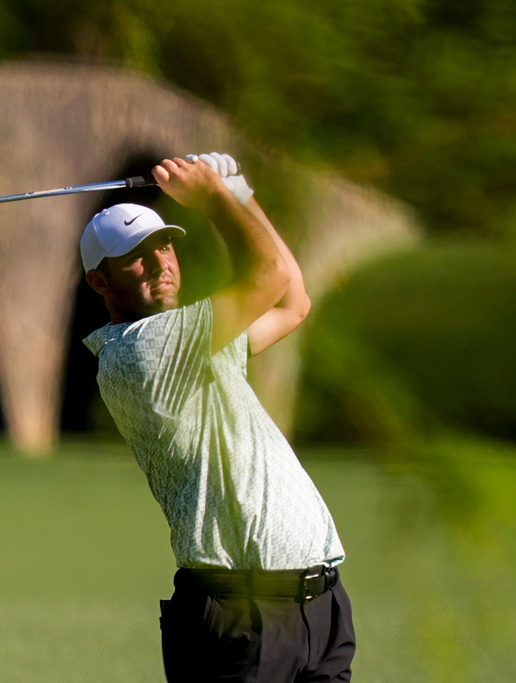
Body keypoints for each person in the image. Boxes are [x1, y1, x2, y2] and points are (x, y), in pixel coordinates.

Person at [80, 154, 355, 682]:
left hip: (320, 609)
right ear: (100, 282)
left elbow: (295, 301)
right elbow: (268, 274)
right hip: (241, 618)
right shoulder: (146, 350)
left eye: (164, 245)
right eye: (137, 256)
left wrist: (240, 191)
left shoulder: (199, 341)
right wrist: (213, 196)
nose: (161, 263)